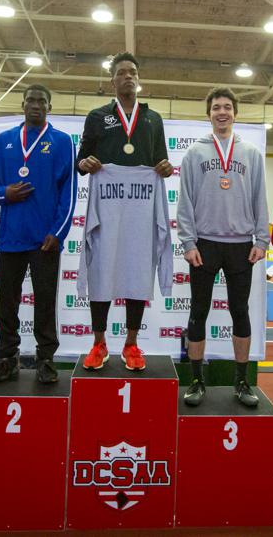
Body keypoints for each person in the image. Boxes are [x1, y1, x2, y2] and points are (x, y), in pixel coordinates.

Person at [76, 52, 173, 371]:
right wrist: (85, 163)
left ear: (138, 78)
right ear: (112, 80)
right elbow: (81, 160)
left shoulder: (152, 118)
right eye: (122, 73)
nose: (128, 76)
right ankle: (99, 342)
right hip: (107, 204)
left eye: (133, 71)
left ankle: (131, 344)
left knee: (137, 272)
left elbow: (162, 161)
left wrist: (165, 167)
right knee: (102, 270)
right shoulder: (96, 116)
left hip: (142, 208)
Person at [177, 87, 269, 407]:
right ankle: (197, 381)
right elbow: (185, 200)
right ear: (209, 113)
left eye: (227, 107)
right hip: (204, 243)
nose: (222, 112)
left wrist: (262, 239)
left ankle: (242, 381)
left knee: (239, 312)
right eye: (216, 107)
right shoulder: (195, 153)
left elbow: (260, 197)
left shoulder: (251, 153)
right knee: (198, 312)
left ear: (235, 113)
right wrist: (188, 242)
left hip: (241, 244)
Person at [0, 84, 76, 384]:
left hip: (45, 239)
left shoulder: (62, 142)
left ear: (49, 106)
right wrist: (4, 193)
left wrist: (58, 233)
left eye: (42, 101)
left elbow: (68, 194)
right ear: (23, 104)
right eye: (31, 101)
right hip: (11, 235)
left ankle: (46, 358)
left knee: (45, 300)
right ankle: (7, 357)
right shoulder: (4, 141)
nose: (36, 105)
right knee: (7, 300)